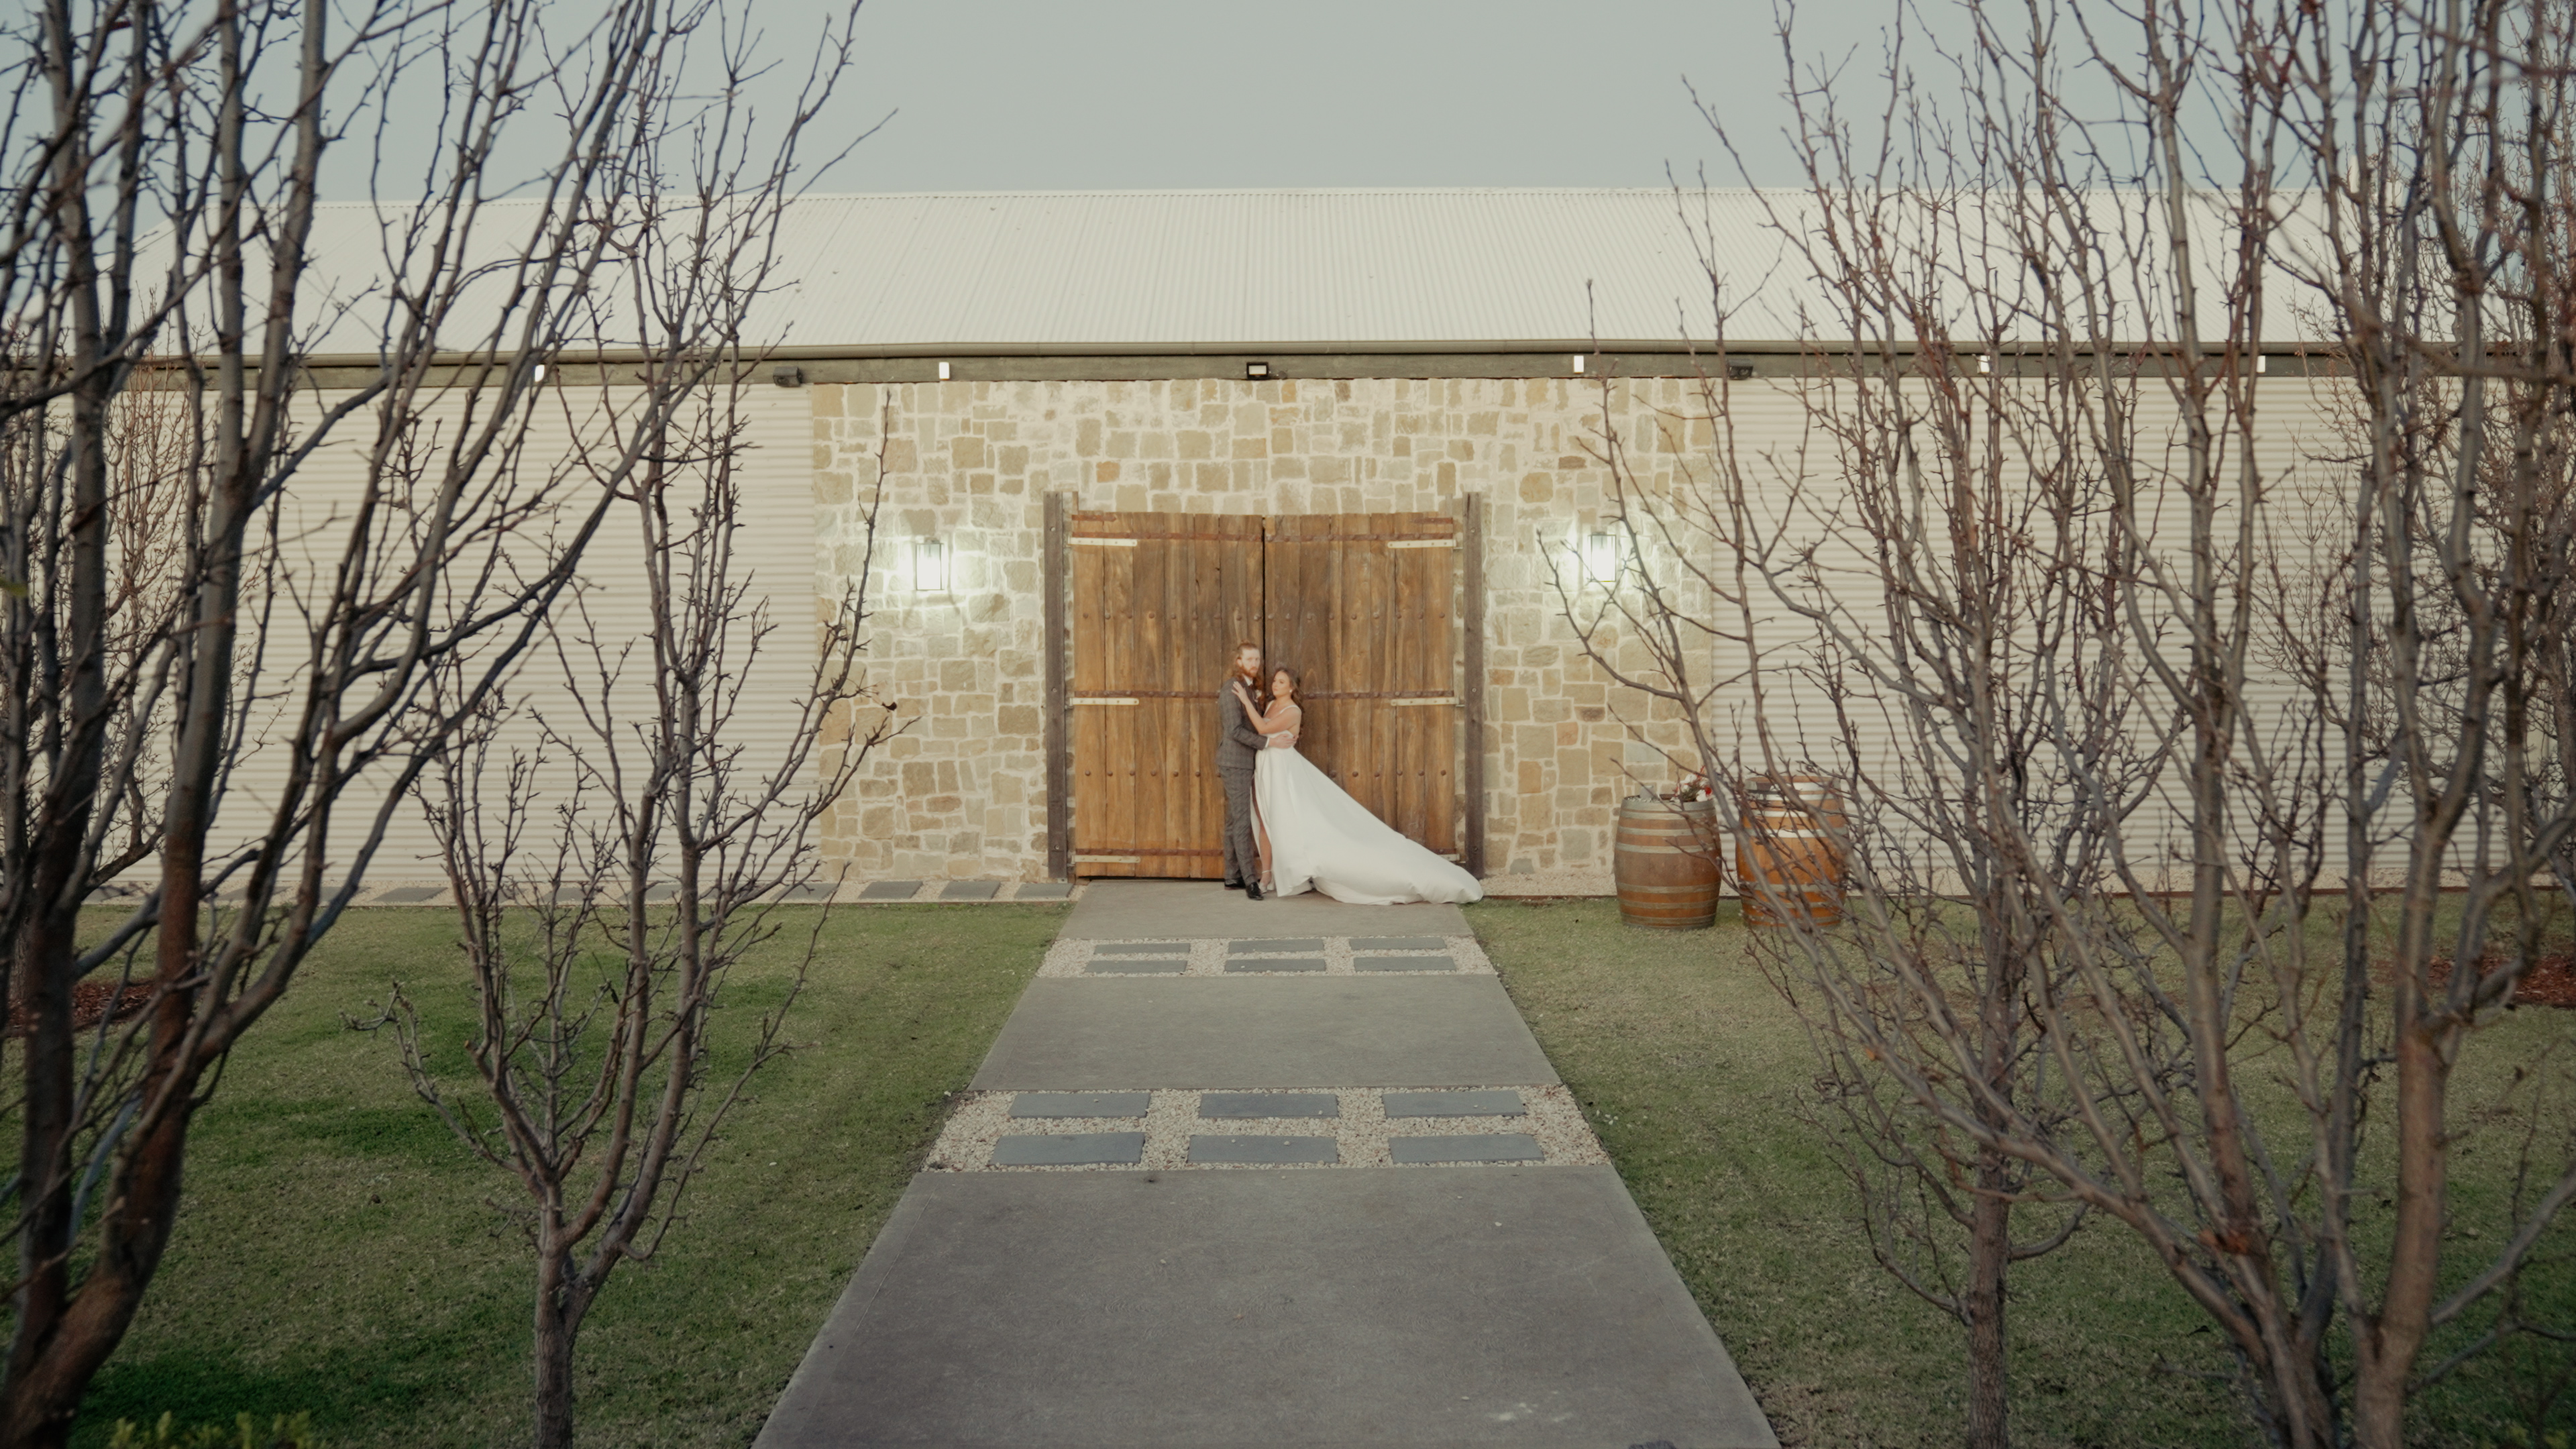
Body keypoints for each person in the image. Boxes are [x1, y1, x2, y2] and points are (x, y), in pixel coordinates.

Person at [1230, 665, 1483, 906]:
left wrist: (1244, 700)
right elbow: (1263, 731)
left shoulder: (1293, 711)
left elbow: (1262, 727)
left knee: (1289, 820)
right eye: (1275, 681)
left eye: (1281, 682)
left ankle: (1305, 868)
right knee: (1265, 820)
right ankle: (1267, 876)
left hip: (1283, 770)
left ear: (1291, 688)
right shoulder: (1271, 704)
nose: (1275, 684)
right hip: (1265, 766)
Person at [1214, 641, 1268, 898]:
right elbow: (1235, 731)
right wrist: (1267, 743)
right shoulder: (1231, 689)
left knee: (1234, 821)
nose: (1254, 664)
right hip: (1234, 763)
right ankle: (1250, 882)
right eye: (1249, 660)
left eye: (1257, 659)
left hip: (1244, 762)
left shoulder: (1249, 687)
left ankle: (1232, 876)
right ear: (1239, 662)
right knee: (1243, 822)